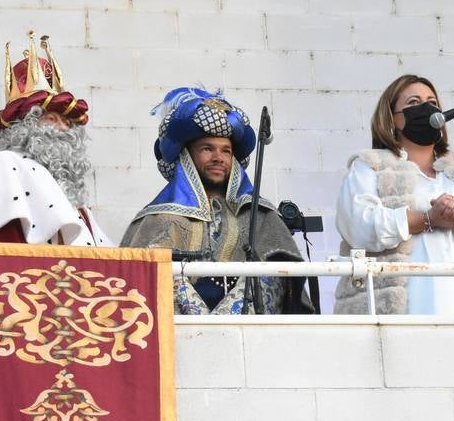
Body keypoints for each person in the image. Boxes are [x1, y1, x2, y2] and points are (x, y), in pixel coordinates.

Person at [120, 87, 313, 315]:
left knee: (267, 273)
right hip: (180, 331)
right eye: (207, 149)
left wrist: (228, 316)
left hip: (248, 331)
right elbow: (136, 277)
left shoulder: (259, 214)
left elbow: (284, 273)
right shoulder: (159, 216)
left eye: (226, 151)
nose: (218, 158)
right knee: (160, 274)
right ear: (187, 156)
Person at [334, 74, 454, 315]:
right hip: (403, 308)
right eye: (413, 102)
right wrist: (428, 219)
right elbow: (358, 226)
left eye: (432, 103)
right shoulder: (369, 166)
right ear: (392, 119)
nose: (425, 108)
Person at [0, 31, 111, 246]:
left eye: (67, 122)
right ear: (23, 127)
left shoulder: (77, 204)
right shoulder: (3, 165)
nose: (62, 127)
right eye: (51, 118)